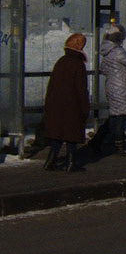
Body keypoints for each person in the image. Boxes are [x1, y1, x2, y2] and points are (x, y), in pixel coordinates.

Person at [42, 33, 91, 172]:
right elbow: (81, 89)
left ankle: (50, 161)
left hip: (56, 104)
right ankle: (71, 163)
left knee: (57, 134)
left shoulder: (61, 61)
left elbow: (51, 86)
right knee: (71, 135)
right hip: (72, 106)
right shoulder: (78, 64)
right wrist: (84, 109)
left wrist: (48, 104)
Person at [98, 24, 126, 156]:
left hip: (111, 86)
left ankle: (102, 141)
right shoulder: (118, 51)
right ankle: (119, 145)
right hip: (120, 86)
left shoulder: (107, 51)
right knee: (120, 117)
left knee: (115, 115)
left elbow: (103, 69)